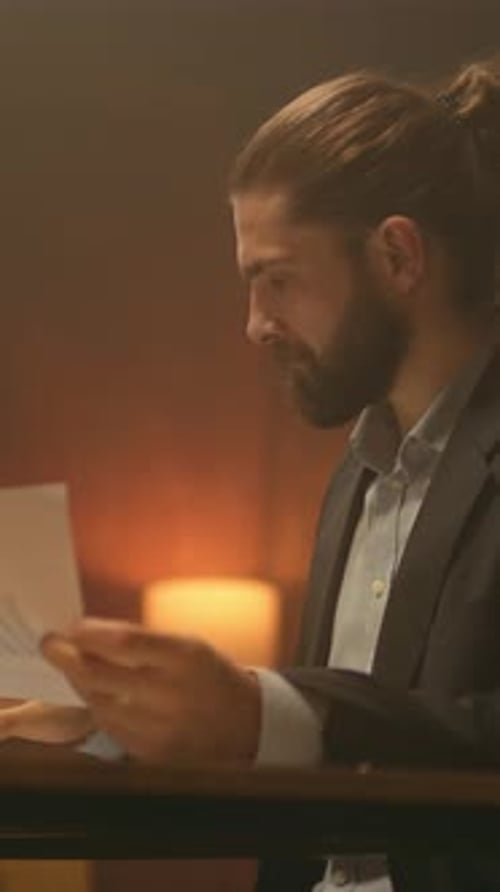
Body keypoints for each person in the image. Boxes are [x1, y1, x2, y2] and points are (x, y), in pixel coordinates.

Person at [2, 58, 500, 891]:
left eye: (278, 280)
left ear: (397, 256)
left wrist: (259, 711)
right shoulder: (360, 474)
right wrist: (114, 730)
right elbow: (357, 742)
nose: (255, 324)